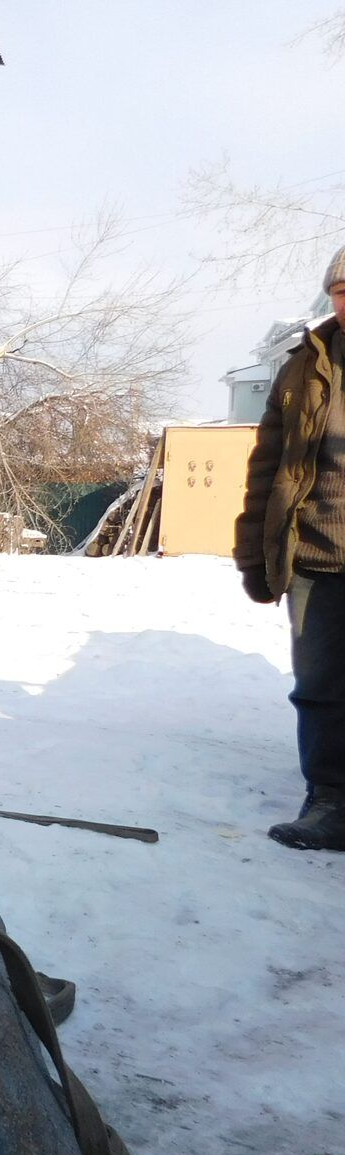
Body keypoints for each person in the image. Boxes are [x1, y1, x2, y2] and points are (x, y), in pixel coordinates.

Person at [236, 245, 345, 849]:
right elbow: (268, 466)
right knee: (319, 687)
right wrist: (254, 553)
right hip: (316, 555)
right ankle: (330, 800)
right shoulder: (305, 366)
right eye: (341, 291)